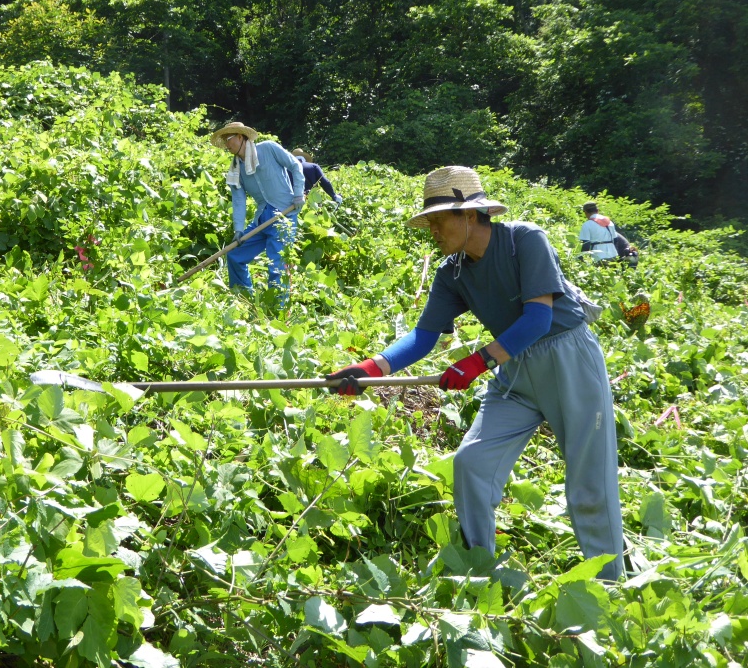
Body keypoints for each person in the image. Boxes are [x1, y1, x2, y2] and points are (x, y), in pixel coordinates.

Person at [327, 166, 624, 581]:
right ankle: (481, 566)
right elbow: (423, 336)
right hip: (515, 371)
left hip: (567, 359)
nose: (431, 229)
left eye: (438, 220)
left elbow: (538, 318)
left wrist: (476, 362)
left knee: (589, 483)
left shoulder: (524, 240)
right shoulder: (452, 272)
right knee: (471, 463)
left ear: (470, 215)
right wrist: (369, 369)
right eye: (428, 221)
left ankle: (611, 584)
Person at [210, 122, 305, 302]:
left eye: (228, 139)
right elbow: (239, 200)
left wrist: (298, 193)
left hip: (284, 214)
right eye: (224, 141)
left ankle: (277, 310)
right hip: (263, 217)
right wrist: (238, 229)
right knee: (235, 255)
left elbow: (295, 165)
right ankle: (244, 300)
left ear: (240, 137)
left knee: (277, 266)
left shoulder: (268, 148)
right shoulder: (235, 169)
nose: (227, 145)